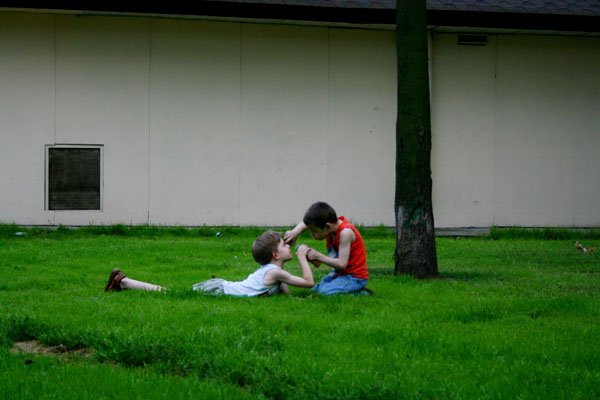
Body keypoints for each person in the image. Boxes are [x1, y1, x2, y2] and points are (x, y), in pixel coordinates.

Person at [104, 231, 314, 296]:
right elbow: (308, 282)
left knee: (171, 293)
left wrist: (292, 300)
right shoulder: (275, 272)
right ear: (275, 255)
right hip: (219, 290)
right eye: (284, 245)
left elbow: (282, 287)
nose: (289, 246)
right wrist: (302, 257)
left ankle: (124, 283)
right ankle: (124, 282)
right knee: (170, 294)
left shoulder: (274, 272)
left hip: (220, 287)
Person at [284, 201, 370, 295]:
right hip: (339, 274)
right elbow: (307, 223)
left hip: (354, 277)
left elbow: (342, 264)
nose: (311, 234)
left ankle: (361, 293)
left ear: (327, 226)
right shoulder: (330, 228)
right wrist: (295, 232)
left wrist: (317, 256)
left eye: (314, 231)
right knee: (316, 291)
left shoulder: (345, 233)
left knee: (324, 293)